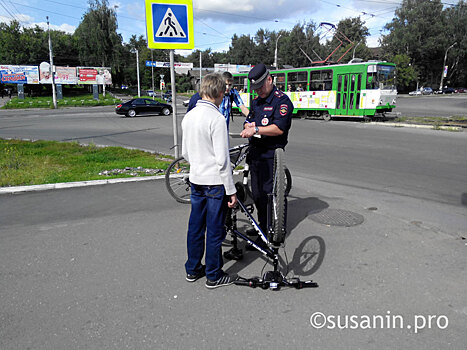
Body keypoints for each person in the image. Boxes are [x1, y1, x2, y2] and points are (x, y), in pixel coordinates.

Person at [182, 73, 239, 289]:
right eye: (224, 92)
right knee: (214, 230)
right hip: (215, 183)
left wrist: (198, 162)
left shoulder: (189, 117)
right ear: (218, 93)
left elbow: (186, 153)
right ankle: (213, 275)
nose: (225, 95)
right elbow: (223, 161)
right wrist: (231, 190)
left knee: (195, 227)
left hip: (196, 179)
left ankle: (193, 268)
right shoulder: (216, 119)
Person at [240, 63, 293, 238]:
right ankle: (263, 227)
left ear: (269, 80)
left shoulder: (281, 101)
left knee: (271, 195)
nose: (258, 91)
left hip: (272, 155)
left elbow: (279, 128)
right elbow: (249, 120)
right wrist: (249, 124)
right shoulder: (256, 102)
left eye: (260, 87)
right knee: (257, 195)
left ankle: (275, 232)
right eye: (255, 88)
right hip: (255, 154)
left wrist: (256, 129)